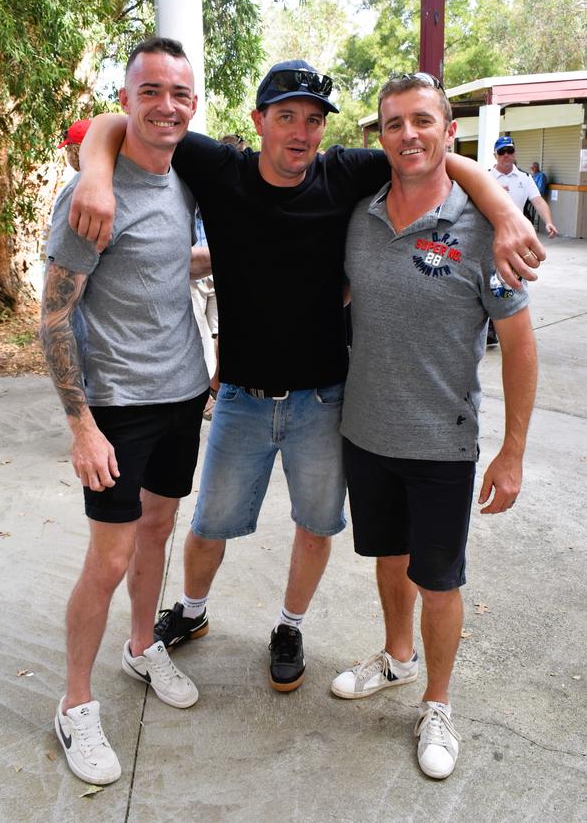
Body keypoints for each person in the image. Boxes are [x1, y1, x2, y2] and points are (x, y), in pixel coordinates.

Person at [68, 58, 545, 697]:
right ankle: (191, 607)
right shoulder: (219, 169)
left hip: (325, 399)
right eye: (286, 115)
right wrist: (96, 175)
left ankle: (289, 625)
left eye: (314, 119)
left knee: (316, 525)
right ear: (258, 120)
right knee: (208, 524)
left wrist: (505, 211)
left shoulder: (345, 172)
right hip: (238, 396)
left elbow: (434, 159)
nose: (300, 131)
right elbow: (116, 122)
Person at [330, 73, 538, 780]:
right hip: (366, 433)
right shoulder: (359, 218)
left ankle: (438, 702)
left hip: (444, 445)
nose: (408, 134)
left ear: (451, 134)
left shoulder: (485, 230)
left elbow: (519, 344)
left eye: (424, 120)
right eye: (394, 123)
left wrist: (511, 453)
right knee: (390, 560)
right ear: (380, 136)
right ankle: (395, 657)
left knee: (439, 581)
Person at [40, 36, 210, 786]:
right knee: (108, 559)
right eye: (150, 92)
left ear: (193, 103)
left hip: (182, 395)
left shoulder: (189, 179)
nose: (166, 105)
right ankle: (75, 703)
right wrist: (80, 424)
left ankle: (143, 646)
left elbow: (171, 257)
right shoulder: (88, 198)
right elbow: (51, 317)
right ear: (126, 101)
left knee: (159, 529)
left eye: (179, 92)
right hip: (117, 409)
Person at [191, 134, 249, 420]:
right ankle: (204, 398)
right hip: (195, 278)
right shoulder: (202, 184)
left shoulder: (246, 191)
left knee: (219, 335)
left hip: (220, 278)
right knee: (201, 337)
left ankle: (216, 389)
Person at [486, 135, 557, 345]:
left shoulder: (524, 178)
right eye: (502, 152)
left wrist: (549, 222)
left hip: (515, 238)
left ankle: (513, 325)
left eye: (510, 151)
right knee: (489, 280)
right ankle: (490, 326)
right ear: (495, 155)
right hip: (489, 237)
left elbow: (538, 201)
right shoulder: (486, 177)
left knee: (516, 282)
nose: (507, 155)